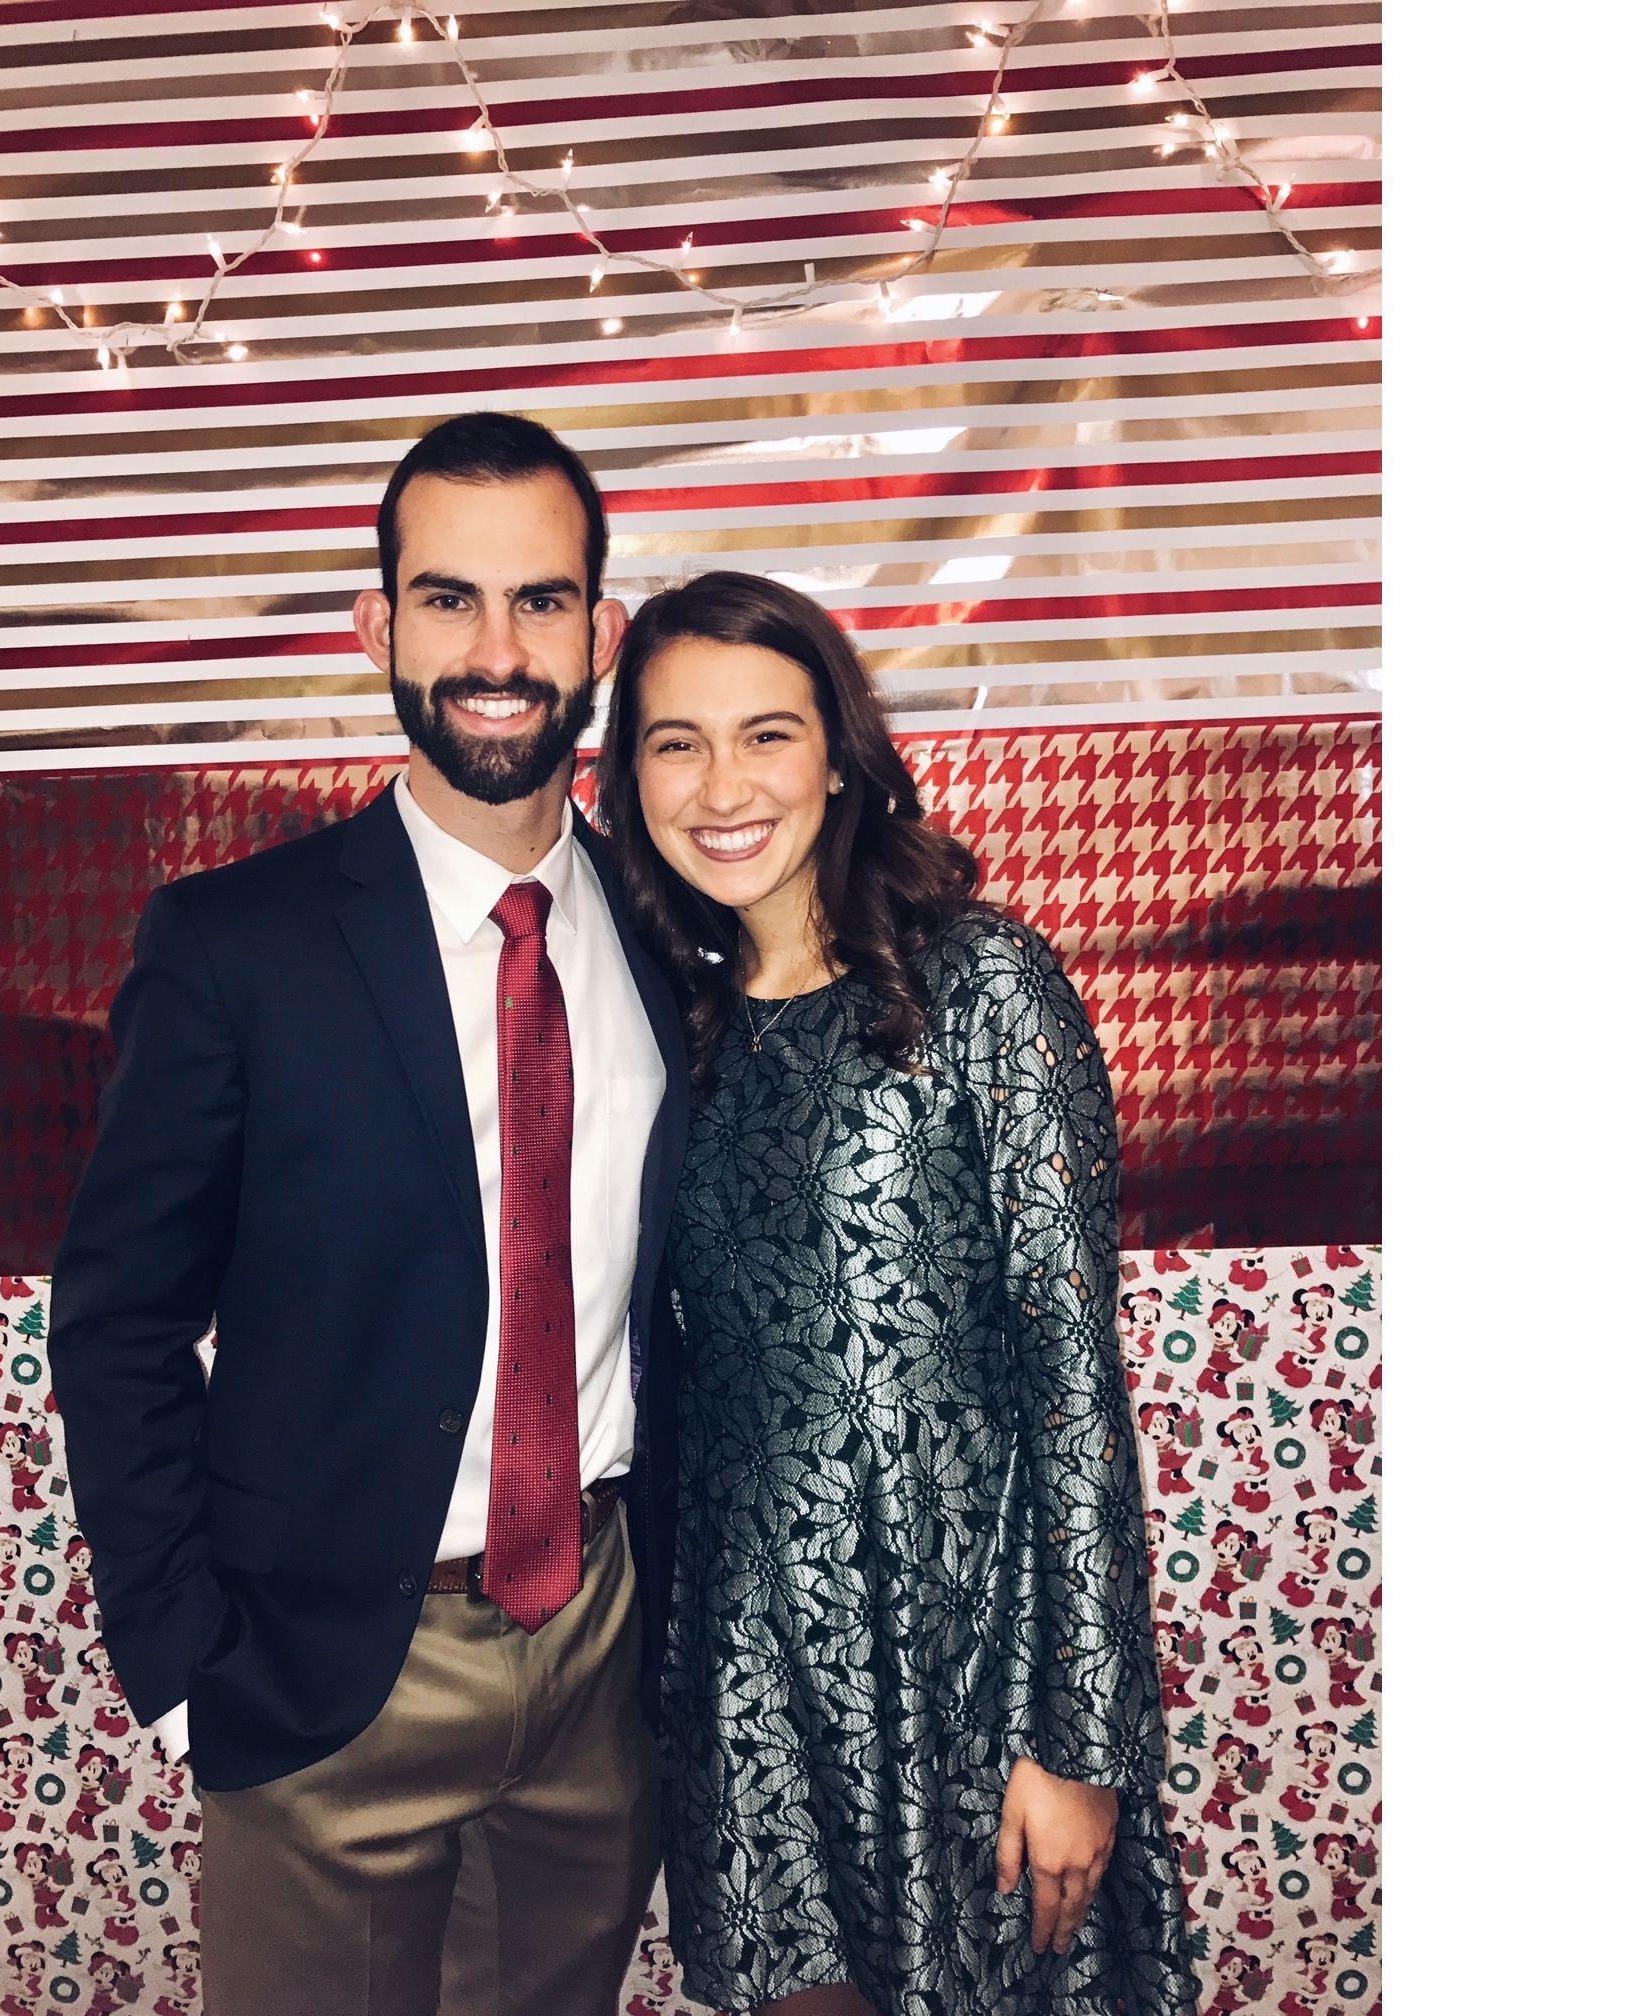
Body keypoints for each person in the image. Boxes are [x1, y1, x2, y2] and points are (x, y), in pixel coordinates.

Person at [49, 411, 690, 2016]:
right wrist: (183, 1662)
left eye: (541, 601)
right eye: (449, 599)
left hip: (602, 1657)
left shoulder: (674, 936)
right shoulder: (234, 946)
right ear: (377, 625)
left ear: (602, 633)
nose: (498, 651)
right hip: (329, 1675)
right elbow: (119, 1321)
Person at [595, 571, 1199, 2016]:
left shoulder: (980, 984)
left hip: (965, 1661)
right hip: (744, 1671)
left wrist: (1084, 1740)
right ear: (630, 778)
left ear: (839, 755)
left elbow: (1072, 1375)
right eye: (677, 743)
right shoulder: (665, 1024)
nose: (722, 787)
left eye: (767, 734)